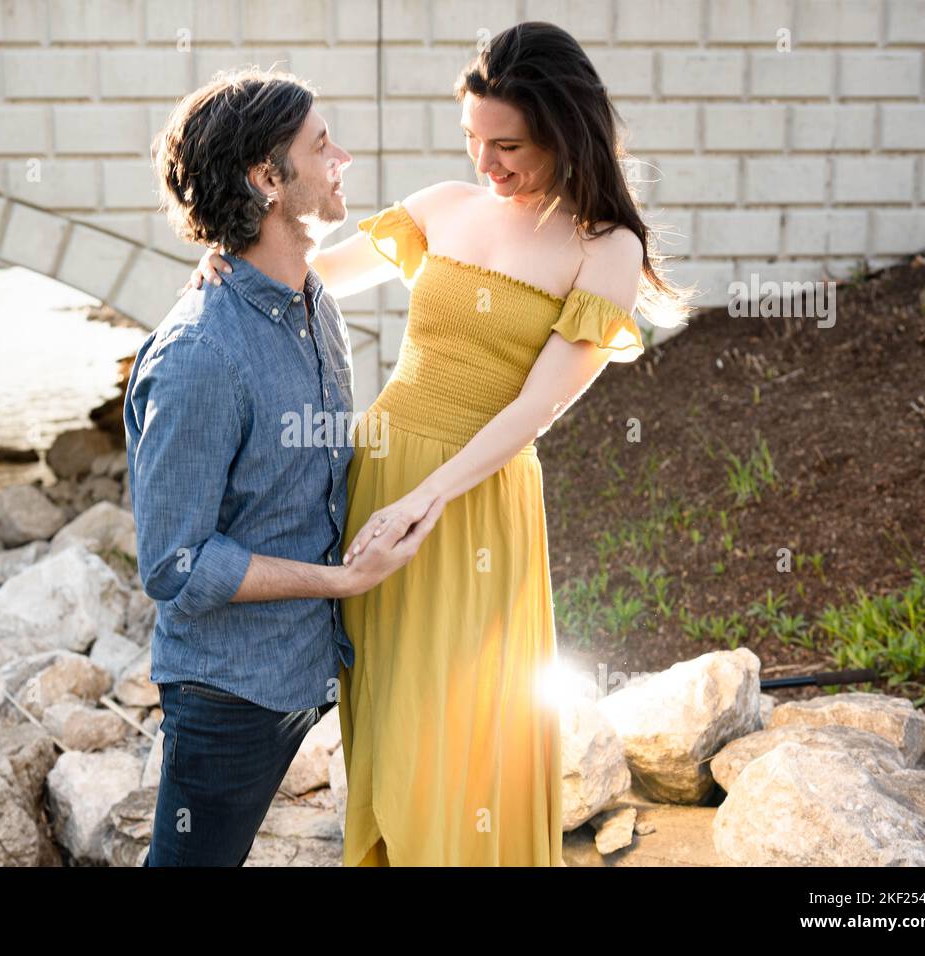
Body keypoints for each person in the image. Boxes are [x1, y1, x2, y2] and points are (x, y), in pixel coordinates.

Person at [185, 22, 694, 865]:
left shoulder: (606, 248)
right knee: (387, 706)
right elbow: (308, 277)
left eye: (509, 146)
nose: (486, 166)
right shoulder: (445, 207)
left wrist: (431, 495)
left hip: (472, 498)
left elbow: (536, 407)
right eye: (472, 140)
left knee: (469, 718)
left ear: (567, 132)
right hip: (379, 478)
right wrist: (228, 258)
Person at [124, 67, 444, 867]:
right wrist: (342, 581)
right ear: (267, 179)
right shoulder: (200, 353)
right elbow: (174, 564)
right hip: (230, 692)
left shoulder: (311, 304)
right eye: (321, 145)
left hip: (312, 661)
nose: (344, 158)